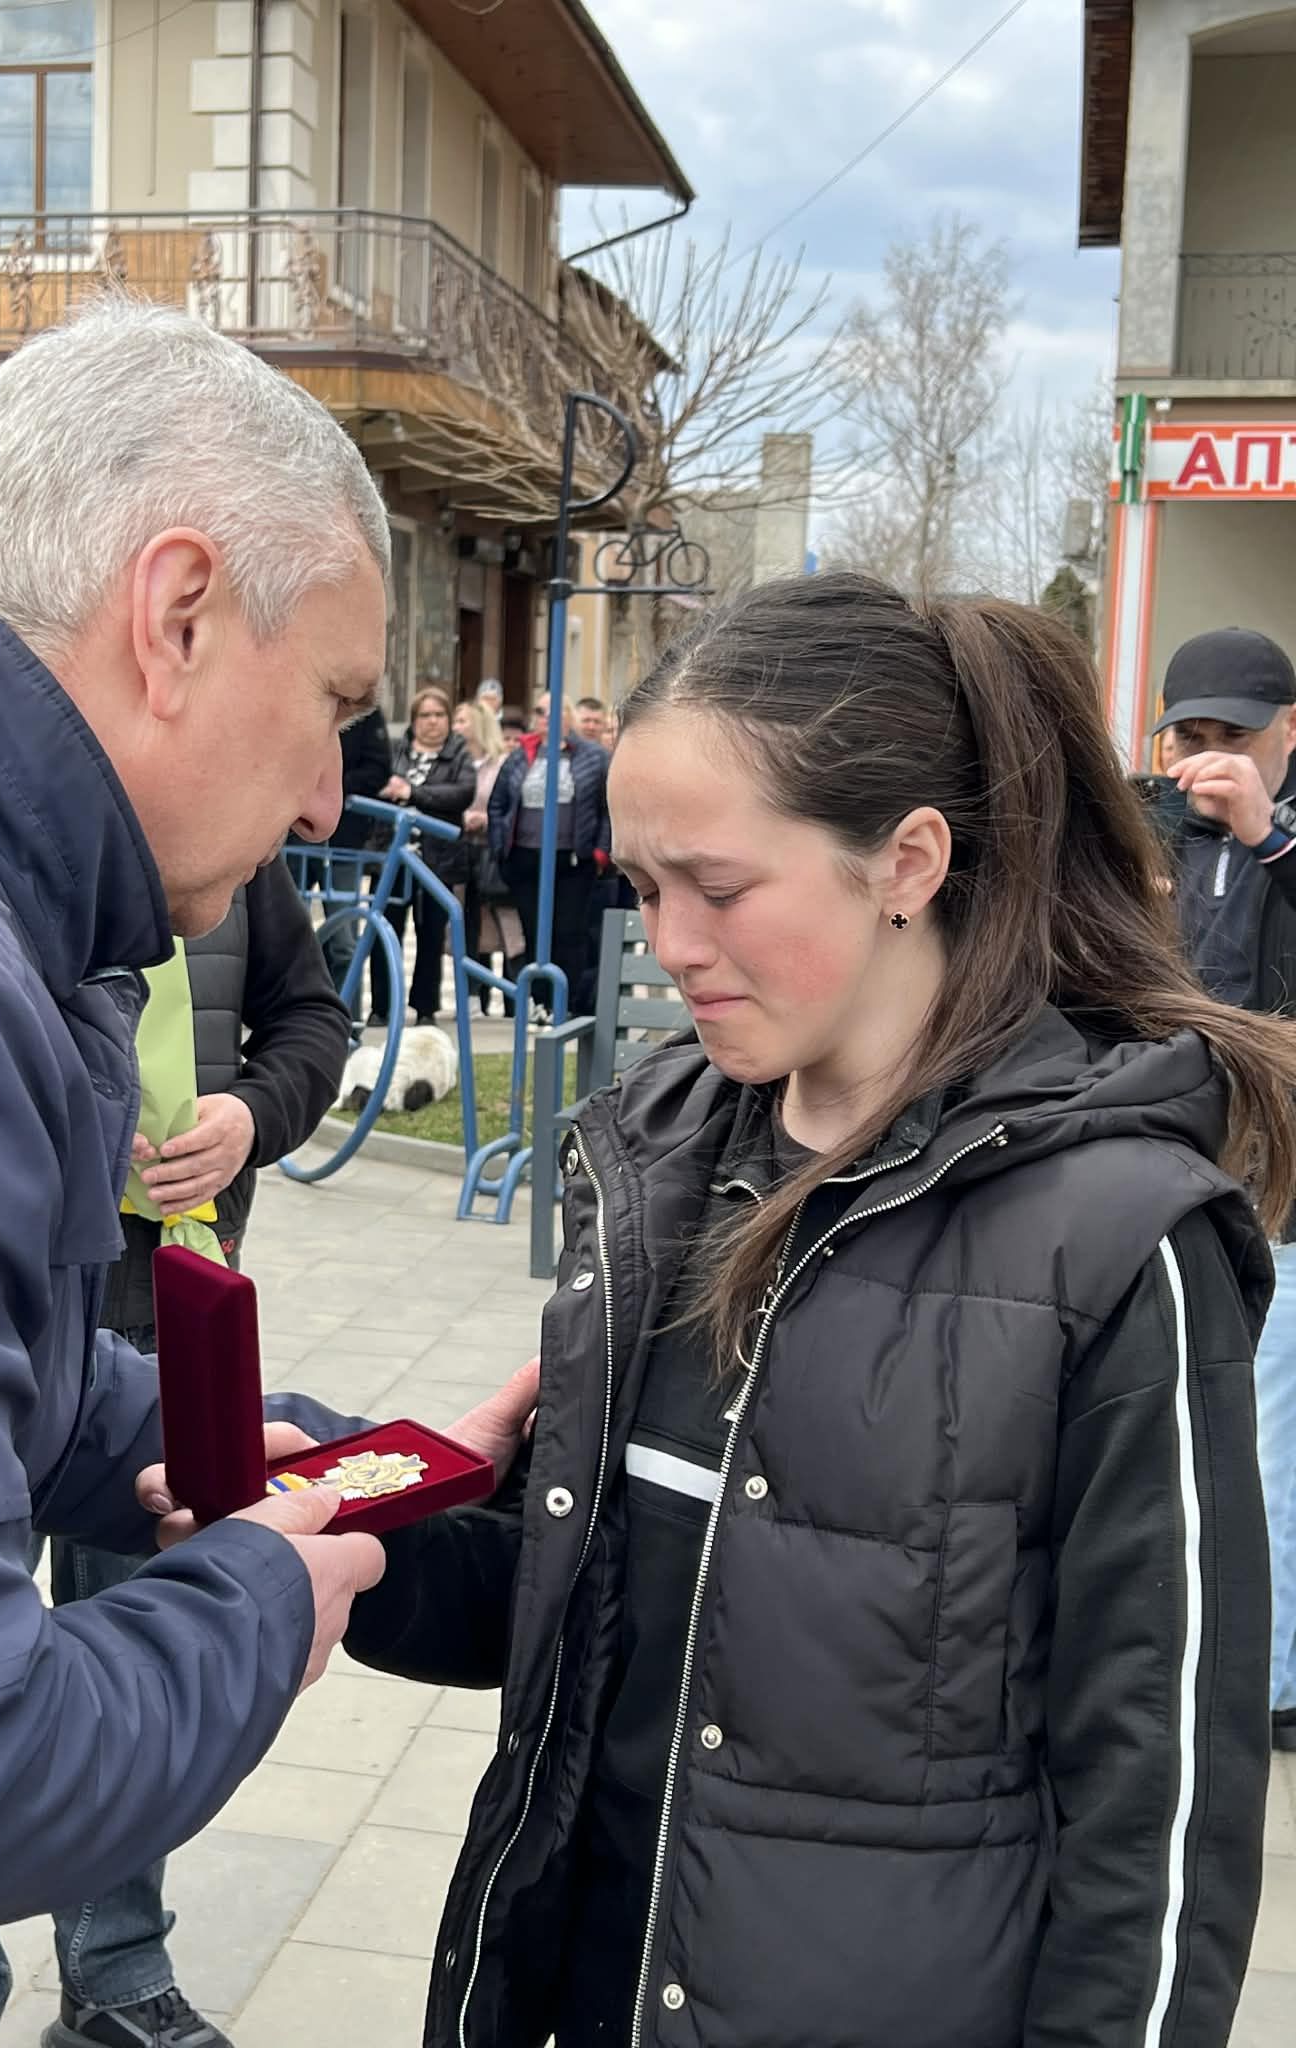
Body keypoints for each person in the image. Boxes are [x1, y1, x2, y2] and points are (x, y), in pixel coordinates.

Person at [345, 573, 1281, 2048]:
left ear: (906, 860)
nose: (669, 940)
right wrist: (341, 1524)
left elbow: (1157, 1821)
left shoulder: (1120, 1243)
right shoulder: (650, 1162)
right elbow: (577, 1612)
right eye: (643, 888)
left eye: (715, 888)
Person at [0, 288, 415, 2048]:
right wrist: (262, 1599)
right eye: (335, 703)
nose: (331, 799)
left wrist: (184, 1444)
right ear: (180, 612)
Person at [0, 861, 350, 2048]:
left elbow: (310, 1015)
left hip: (167, 1300)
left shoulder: (238, 839)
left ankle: (118, 1969)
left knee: (147, 1639)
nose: (315, 800)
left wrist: (253, 1114)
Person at [1152, 625, 1296, 1756]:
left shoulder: (1283, 837)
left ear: (1288, 731)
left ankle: (1273, 1682)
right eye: (1191, 737)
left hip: (1282, 1177)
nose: (1210, 759)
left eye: (1235, 738)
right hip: (1165, 1160)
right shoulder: (1146, 829)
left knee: (1271, 1431)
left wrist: (1270, 838)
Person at [488, 688, 610, 1007]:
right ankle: (538, 1003)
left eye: (555, 713)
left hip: (572, 860)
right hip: (526, 858)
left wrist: (599, 852)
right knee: (533, 932)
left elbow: (606, 808)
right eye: (541, 712)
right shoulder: (521, 756)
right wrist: (501, 844)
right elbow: (498, 803)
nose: (547, 719)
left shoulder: (593, 757)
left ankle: (568, 1004)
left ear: (569, 717)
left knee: (569, 933)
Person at [368, 685, 475, 1029]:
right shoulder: (397, 751)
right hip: (393, 858)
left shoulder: (459, 752)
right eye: (425, 715)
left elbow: (461, 792)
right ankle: (382, 1007)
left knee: (430, 936)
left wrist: (413, 793)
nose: (432, 722)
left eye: (439, 715)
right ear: (414, 721)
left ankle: (425, 1007)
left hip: (437, 860)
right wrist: (390, 793)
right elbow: (379, 786)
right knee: (385, 932)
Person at [455, 698, 524, 1017]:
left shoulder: (500, 763)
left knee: (509, 926)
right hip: (460, 851)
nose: (455, 727)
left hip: (491, 853)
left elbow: (504, 805)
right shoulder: (455, 760)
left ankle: (518, 999)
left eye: (462, 721)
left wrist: (482, 818)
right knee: (467, 925)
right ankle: (471, 997)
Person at [321, 698, 392, 1008]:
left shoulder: (363, 706)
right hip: (292, 836)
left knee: (344, 937)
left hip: (345, 837)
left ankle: (349, 1017)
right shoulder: (295, 691)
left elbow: (379, 768)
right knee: (284, 939)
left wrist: (331, 787)